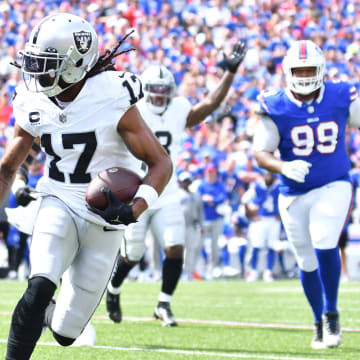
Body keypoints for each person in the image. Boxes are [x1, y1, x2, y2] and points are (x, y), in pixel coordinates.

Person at [1, 13, 172, 360]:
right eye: (35, 62)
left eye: (47, 65)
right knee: (38, 286)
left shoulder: (111, 95)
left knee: (66, 333)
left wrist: (133, 209)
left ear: (75, 65)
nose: (36, 73)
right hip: (58, 197)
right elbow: (6, 168)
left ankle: (52, 315)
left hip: (105, 215)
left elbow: (161, 163)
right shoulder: (32, 99)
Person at [106, 41, 246, 326]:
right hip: (134, 192)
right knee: (132, 254)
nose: (158, 97)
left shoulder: (179, 107)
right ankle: (114, 289)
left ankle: (163, 304)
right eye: (153, 92)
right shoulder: (131, 109)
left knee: (175, 248)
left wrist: (228, 75)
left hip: (166, 192)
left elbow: (208, 106)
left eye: (163, 92)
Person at [253, 40, 360, 349]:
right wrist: (282, 167)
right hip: (293, 191)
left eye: (309, 70)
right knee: (305, 259)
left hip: (334, 183)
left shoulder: (341, 95)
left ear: (321, 70)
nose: (303, 75)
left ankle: (331, 313)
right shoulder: (275, 103)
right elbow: (261, 152)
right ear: (287, 72)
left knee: (325, 239)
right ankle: (318, 319)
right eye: (298, 70)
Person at [242, 171, 281, 282]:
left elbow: (287, 200)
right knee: (256, 246)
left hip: (274, 219)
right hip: (261, 219)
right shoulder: (257, 187)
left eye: (270, 175)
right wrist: (250, 214)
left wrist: (282, 214)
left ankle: (268, 272)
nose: (269, 177)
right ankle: (253, 271)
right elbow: (244, 199)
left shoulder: (278, 186)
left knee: (272, 246)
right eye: (267, 175)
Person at [197, 164, 228, 280]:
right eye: (209, 172)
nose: (211, 174)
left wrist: (211, 199)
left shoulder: (220, 185)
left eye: (213, 172)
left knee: (215, 246)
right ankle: (200, 269)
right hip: (204, 219)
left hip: (216, 219)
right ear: (206, 173)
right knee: (199, 245)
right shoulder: (202, 185)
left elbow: (222, 197)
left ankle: (211, 269)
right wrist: (207, 200)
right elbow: (198, 199)